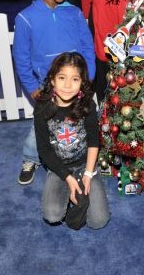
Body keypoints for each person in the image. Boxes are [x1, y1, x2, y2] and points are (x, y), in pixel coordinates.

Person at [13, 0, 96, 185]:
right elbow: (21, 59)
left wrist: (88, 78)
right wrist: (33, 89)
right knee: (40, 127)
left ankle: (85, 157)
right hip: (48, 88)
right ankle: (30, 158)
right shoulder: (26, 18)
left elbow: (88, 47)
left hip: (76, 83)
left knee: (79, 122)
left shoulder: (75, 13)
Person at [34, 52, 110, 229]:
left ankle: (81, 188)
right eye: (62, 78)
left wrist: (88, 175)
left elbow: (93, 142)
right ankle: (68, 188)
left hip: (86, 164)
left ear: (82, 83)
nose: (68, 85)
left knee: (98, 222)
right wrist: (67, 177)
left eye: (75, 79)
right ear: (52, 80)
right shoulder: (42, 107)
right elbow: (44, 150)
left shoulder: (88, 105)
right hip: (58, 166)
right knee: (52, 215)